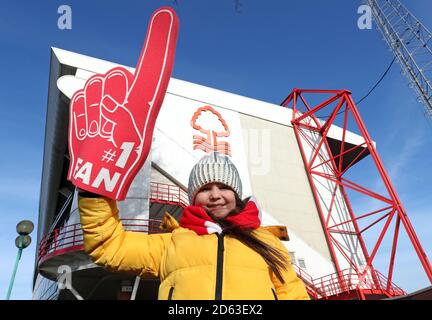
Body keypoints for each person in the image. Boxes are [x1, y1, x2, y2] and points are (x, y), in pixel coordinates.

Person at [78, 152, 310, 300]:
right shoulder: (172, 242)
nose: (216, 196)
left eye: (224, 187)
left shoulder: (266, 241)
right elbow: (110, 247)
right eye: (205, 189)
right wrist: (94, 193)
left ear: (237, 193)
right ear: (193, 197)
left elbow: (293, 295)